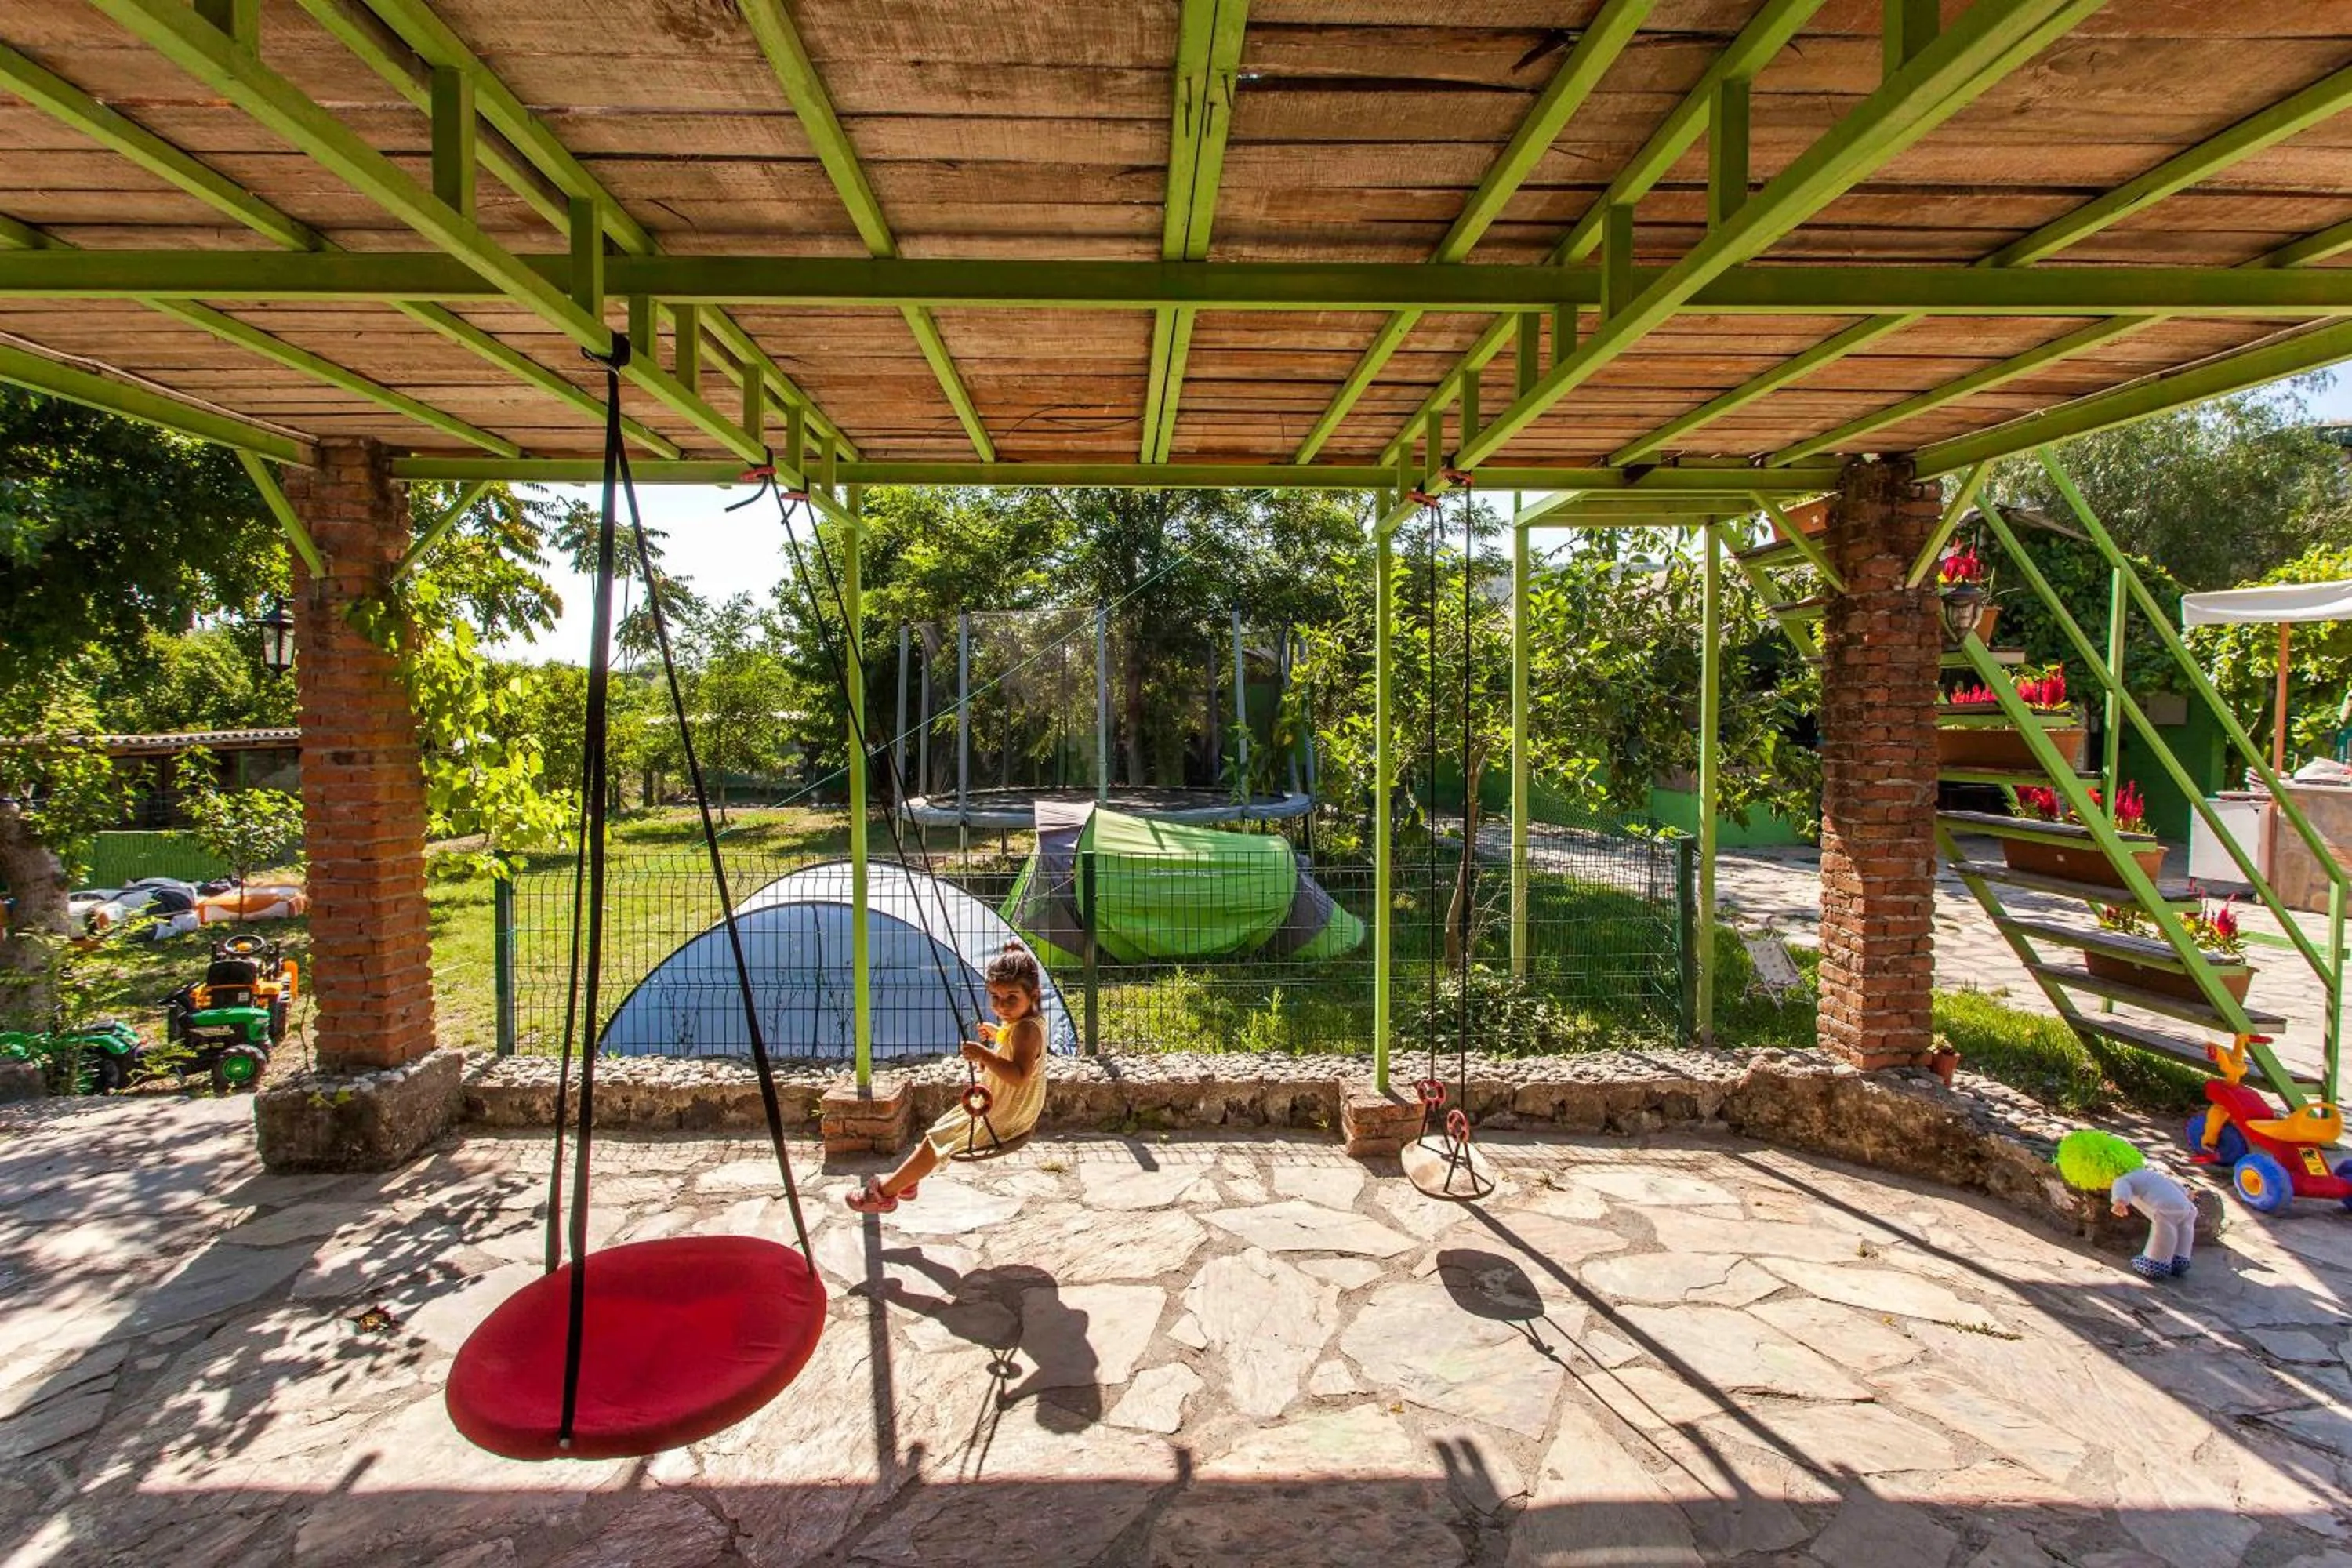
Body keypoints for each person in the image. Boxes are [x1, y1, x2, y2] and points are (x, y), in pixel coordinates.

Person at [847, 943, 1048, 1214]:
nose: (1001, 1006)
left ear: (1033, 994)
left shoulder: (1025, 1030)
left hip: (1006, 1113)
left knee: (937, 1139)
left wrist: (984, 1055)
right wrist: (997, 1034)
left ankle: (883, 1194)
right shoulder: (1022, 1023)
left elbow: (1020, 1076)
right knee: (940, 1130)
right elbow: (1014, 1048)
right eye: (995, 997)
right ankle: (907, 1182)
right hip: (1005, 1105)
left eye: (1011, 998)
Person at [2053, 1127, 2197, 1281]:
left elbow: (2122, 1191)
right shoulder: (2148, 1172)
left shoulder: (2123, 1179)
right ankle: (2180, 1259)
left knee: (2166, 1231)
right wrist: (2187, 1193)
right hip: (2187, 1206)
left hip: (2164, 1208)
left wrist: (2120, 1202)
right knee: (2185, 1229)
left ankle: (2155, 1263)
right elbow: (2170, 1183)